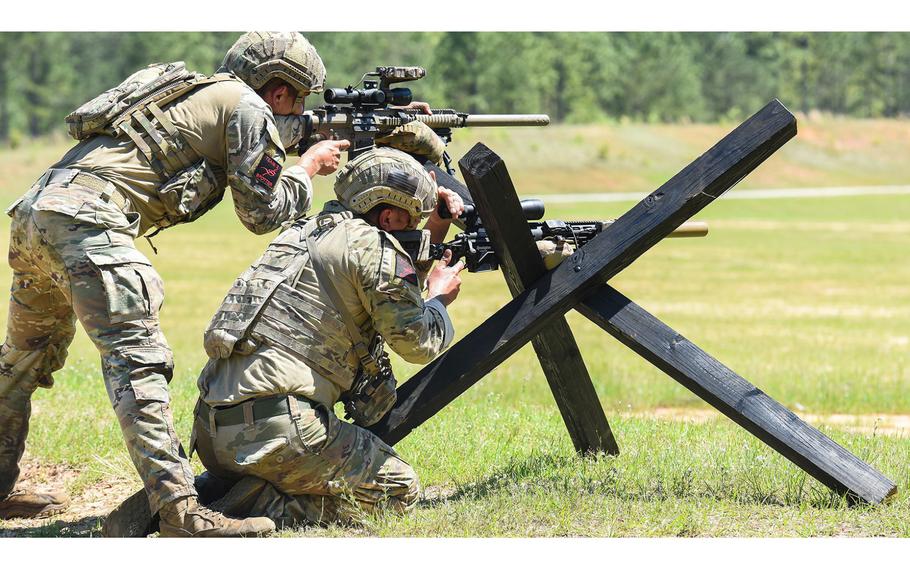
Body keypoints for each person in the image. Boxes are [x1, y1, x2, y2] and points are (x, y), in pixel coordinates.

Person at [0, 31, 350, 537]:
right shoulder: (249, 108)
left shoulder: (197, 91)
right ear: (279, 91)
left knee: (21, 359)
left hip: (38, 212)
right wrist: (306, 169)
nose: (297, 106)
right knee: (138, 364)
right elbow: (261, 212)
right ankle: (181, 513)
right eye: (299, 96)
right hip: (86, 222)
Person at [182, 147, 465, 528]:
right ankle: (253, 504)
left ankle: (208, 489)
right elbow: (417, 342)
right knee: (397, 492)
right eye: (412, 219)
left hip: (213, 432)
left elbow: (383, 283)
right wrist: (440, 300)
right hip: (276, 433)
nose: (415, 229)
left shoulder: (305, 230)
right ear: (388, 215)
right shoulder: (372, 247)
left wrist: (437, 224)